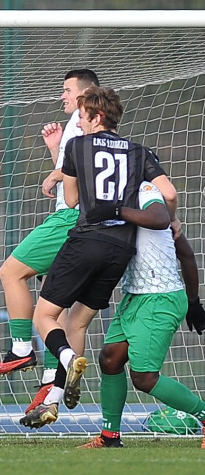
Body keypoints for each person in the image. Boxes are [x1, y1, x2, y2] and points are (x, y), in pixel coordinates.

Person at [23, 86, 176, 428]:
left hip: (87, 240)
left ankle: (66, 359)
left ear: (97, 117)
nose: (79, 123)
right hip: (120, 249)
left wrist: (61, 173)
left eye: (82, 117)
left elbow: (74, 200)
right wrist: (174, 219)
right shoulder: (140, 152)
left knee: (44, 316)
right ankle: (54, 400)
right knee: (77, 322)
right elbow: (169, 193)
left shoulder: (77, 145)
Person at [0, 69, 99, 412]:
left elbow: (77, 175)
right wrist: (55, 153)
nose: (62, 97)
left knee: (10, 272)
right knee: (54, 305)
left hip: (68, 219)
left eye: (67, 90)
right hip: (88, 225)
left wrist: (56, 172)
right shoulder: (76, 126)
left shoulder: (82, 124)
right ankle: (53, 380)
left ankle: (22, 348)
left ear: (84, 95)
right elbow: (75, 172)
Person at [77, 182, 205, 448]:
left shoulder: (145, 191)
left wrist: (194, 302)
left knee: (144, 378)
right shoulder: (106, 199)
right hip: (134, 296)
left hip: (160, 297)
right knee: (110, 359)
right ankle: (110, 436)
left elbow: (186, 253)